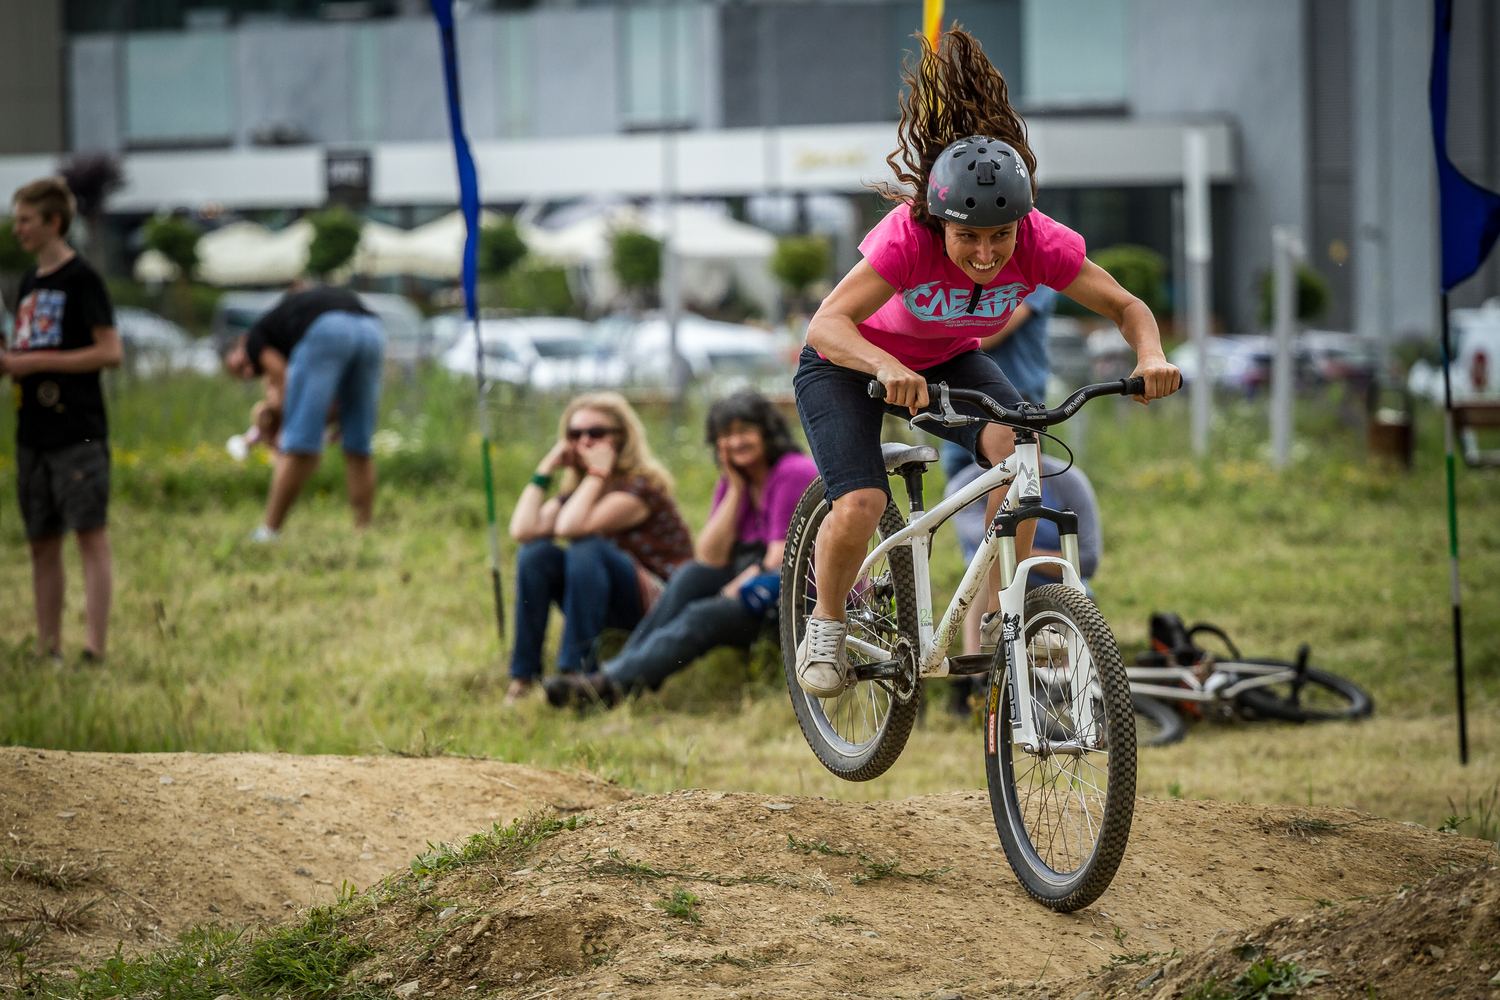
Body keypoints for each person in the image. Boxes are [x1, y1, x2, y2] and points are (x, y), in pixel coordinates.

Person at [791, 27, 1181, 698]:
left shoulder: (1041, 243)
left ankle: (1011, 610)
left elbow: (1127, 306)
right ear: (940, 222)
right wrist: (883, 366)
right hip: (847, 364)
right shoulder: (906, 239)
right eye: (968, 236)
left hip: (946, 361)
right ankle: (825, 624)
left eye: (1000, 236)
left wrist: (1150, 355)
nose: (985, 254)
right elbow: (827, 324)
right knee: (859, 500)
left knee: (1019, 445)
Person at [543, 390, 818, 708]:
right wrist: (736, 488)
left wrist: (732, 589)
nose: (735, 441)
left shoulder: (791, 471)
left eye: (745, 431)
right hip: (761, 589)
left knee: (703, 614)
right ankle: (614, 677)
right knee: (691, 576)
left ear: (768, 432)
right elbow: (710, 558)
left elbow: (780, 559)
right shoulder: (737, 480)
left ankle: (608, 685)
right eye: (726, 434)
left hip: (800, 599)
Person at [0, 177, 122, 662]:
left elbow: (110, 352)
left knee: (89, 535)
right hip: (33, 433)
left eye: (26, 220)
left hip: (78, 432)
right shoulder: (29, 283)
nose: (18, 230)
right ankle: (47, 647)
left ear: (54, 223)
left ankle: (94, 649)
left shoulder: (82, 279)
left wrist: (35, 364)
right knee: (41, 543)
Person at [506, 392, 693, 705]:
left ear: (621, 439)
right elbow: (522, 531)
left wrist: (597, 473)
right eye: (574, 434)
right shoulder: (580, 491)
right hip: (606, 597)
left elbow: (570, 527)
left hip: (657, 604)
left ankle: (577, 673)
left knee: (586, 548)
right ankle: (523, 677)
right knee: (535, 554)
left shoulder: (641, 487)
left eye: (596, 433)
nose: (584, 442)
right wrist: (546, 467)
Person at [943, 453, 1101, 715]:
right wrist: (1039, 556)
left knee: (1064, 587)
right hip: (1002, 581)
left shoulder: (1069, 481)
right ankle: (972, 684)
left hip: (1057, 583)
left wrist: (1020, 556)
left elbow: (1088, 559)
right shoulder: (964, 486)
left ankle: (1068, 692)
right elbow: (988, 546)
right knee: (981, 574)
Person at [224, 284, 385, 540]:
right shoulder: (285, 328)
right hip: (371, 329)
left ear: (243, 344)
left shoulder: (256, 339)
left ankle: (269, 531)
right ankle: (363, 532)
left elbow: (290, 390)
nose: (248, 372)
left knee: (299, 445)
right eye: (241, 375)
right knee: (358, 443)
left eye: (243, 364)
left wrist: (276, 427)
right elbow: (326, 403)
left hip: (327, 330)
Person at [938, 285, 1057, 479]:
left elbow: (986, 336)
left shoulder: (1034, 276)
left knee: (1019, 486)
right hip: (963, 398)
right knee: (960, 492)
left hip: (1018, 400)